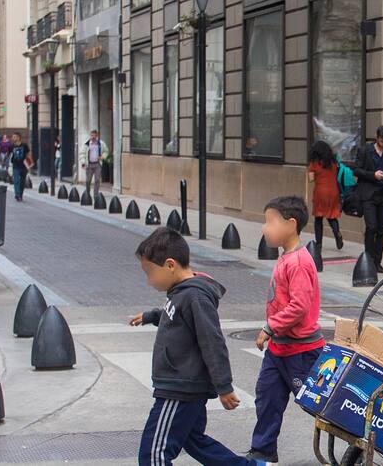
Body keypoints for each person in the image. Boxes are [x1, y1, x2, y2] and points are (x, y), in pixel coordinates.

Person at [128, 228, 264, 466]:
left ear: (170, 265)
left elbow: (212, 342)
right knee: (193, 440)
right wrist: (151, 316)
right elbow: (177, 316)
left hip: (180, 388)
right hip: (183, 385)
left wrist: (224, 387)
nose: (149, 281)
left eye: (150, 273)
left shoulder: (195, 296)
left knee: (154, 455)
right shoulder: (182, 293)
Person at [247, 196, 324, 464]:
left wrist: (269, 326)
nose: (264, 228)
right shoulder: (286, 258)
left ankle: (357, 440)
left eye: (270, 222)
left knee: (319, 405)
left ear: (291, 224)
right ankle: (262, 451)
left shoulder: (299, 262)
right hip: (279, 348)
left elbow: (299, 306)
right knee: (267, 398)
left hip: (301, 351)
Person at [353, 125, 383, 272]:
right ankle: (369, 260)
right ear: (377, 137)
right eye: (382, 140)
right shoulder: (365, 150)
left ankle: (377, 261)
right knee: (371, 227)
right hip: (368, 195)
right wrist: (373, 175)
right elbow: (357, 170)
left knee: (381, 229)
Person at [306, 140, 344, 251]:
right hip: (334, 192)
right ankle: (337, 234)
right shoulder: (333, 162)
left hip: (320, 192)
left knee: (318, 218)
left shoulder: (315, 163)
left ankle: (319, 244)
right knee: (332, 216)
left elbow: (311, 179)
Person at [81, 129, 107, 197]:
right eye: (92, 135)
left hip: (97, 164)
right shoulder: (86, 144)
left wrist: (102, 156)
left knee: (97, 180)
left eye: (94, 135)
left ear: (97, 136)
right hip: (89, 164)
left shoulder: (101, 143)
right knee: (88, 180)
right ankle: (87, 194)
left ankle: (95, 195)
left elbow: (106, 151)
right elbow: (82, 154)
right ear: (90, 135)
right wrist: (83, 163)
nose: (93, 137)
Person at [8, 132, 32, 202]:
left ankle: (20, 194)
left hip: (24, 166)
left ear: (19, 138)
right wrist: (8, 165)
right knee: (16, 180)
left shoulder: (24, 145)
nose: (13, 138)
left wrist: (30, 165)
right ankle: (17, 194)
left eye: (14, 137)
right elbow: (9, 155)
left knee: (22, 181)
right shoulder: (11, 146)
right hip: (15, 166)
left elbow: (28, 154)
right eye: (13, 137)